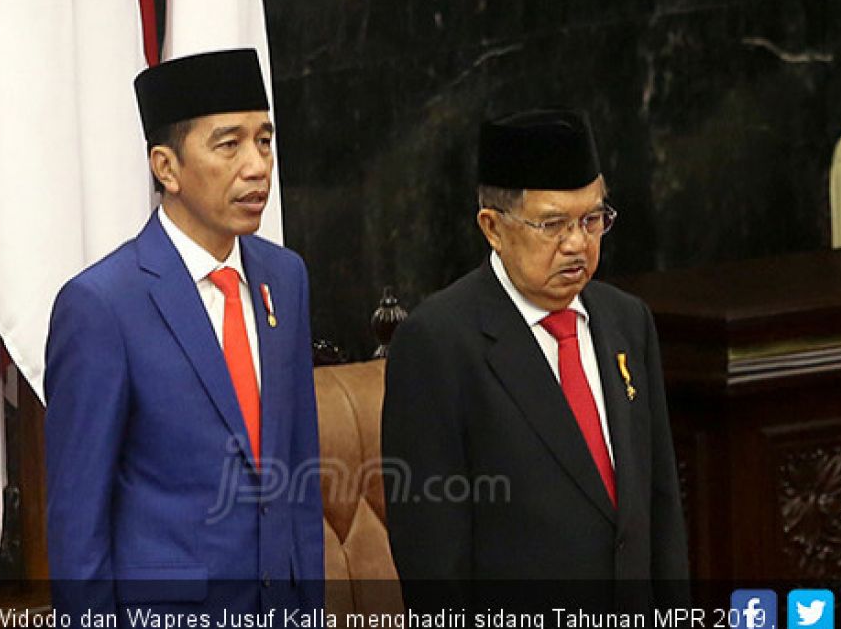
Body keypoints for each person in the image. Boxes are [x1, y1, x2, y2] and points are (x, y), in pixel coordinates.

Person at [44, 49, 323, 617]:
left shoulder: (285, 279)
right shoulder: (101, 307)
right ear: (166, 168)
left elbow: (298, 472)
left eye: (264, 140)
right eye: (229, 144)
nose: (257, 166)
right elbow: (79, 528)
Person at [381, 108, 688, 609]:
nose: (577, 244)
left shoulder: (627, 321)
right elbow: (433, 560)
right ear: (493, 228)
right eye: (552, 225)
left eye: (592, 220)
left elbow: (660, 506)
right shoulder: (439, 343)